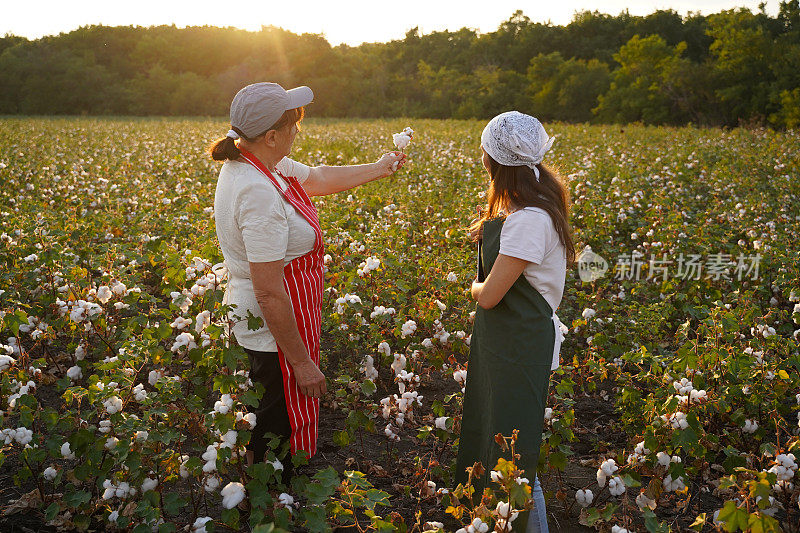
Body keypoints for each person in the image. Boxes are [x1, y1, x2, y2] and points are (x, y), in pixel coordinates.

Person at [210, 82, 406, 484]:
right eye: (294, 125)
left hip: (275, 312)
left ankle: (270, 490)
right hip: (270, 320)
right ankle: (264, 502)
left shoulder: (260, 163)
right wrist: (302, 363)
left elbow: (315, 178)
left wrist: (379, 167)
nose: (299, 131)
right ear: (272, 136)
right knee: (273, 419)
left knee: (273, 409)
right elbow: (268, 289)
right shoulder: (257, 192)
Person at [453, 111, 576, 533]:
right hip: (505, 345)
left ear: (492, 161)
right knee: (502, 445)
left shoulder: (528, 221)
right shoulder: (531, 208)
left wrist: (471, 286)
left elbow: (489, 296)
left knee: (514, 459)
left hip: (519, 348)